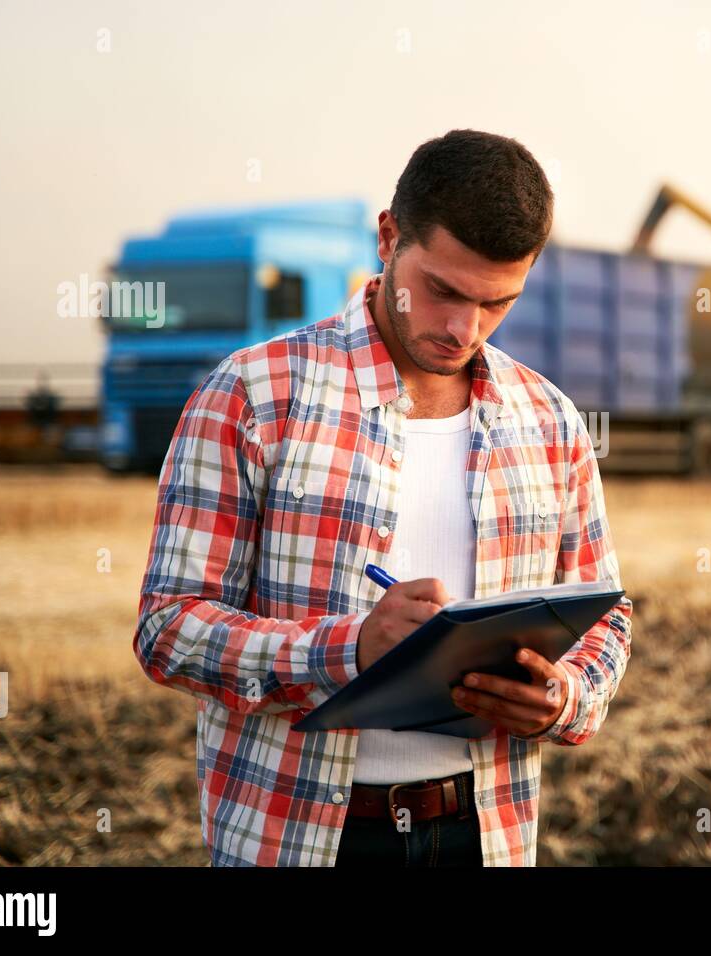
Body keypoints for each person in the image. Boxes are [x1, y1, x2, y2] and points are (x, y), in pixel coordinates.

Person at [132, 129, 632, 866]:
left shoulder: (550, 419)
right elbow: (168, 629)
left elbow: (608, 616)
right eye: (443, 291)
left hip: (484, 834)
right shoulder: (251, 395)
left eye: (498, 303)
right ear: (388, 238)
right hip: (293, 839)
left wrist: (561, 698)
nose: (465, 329)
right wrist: (349, 649)